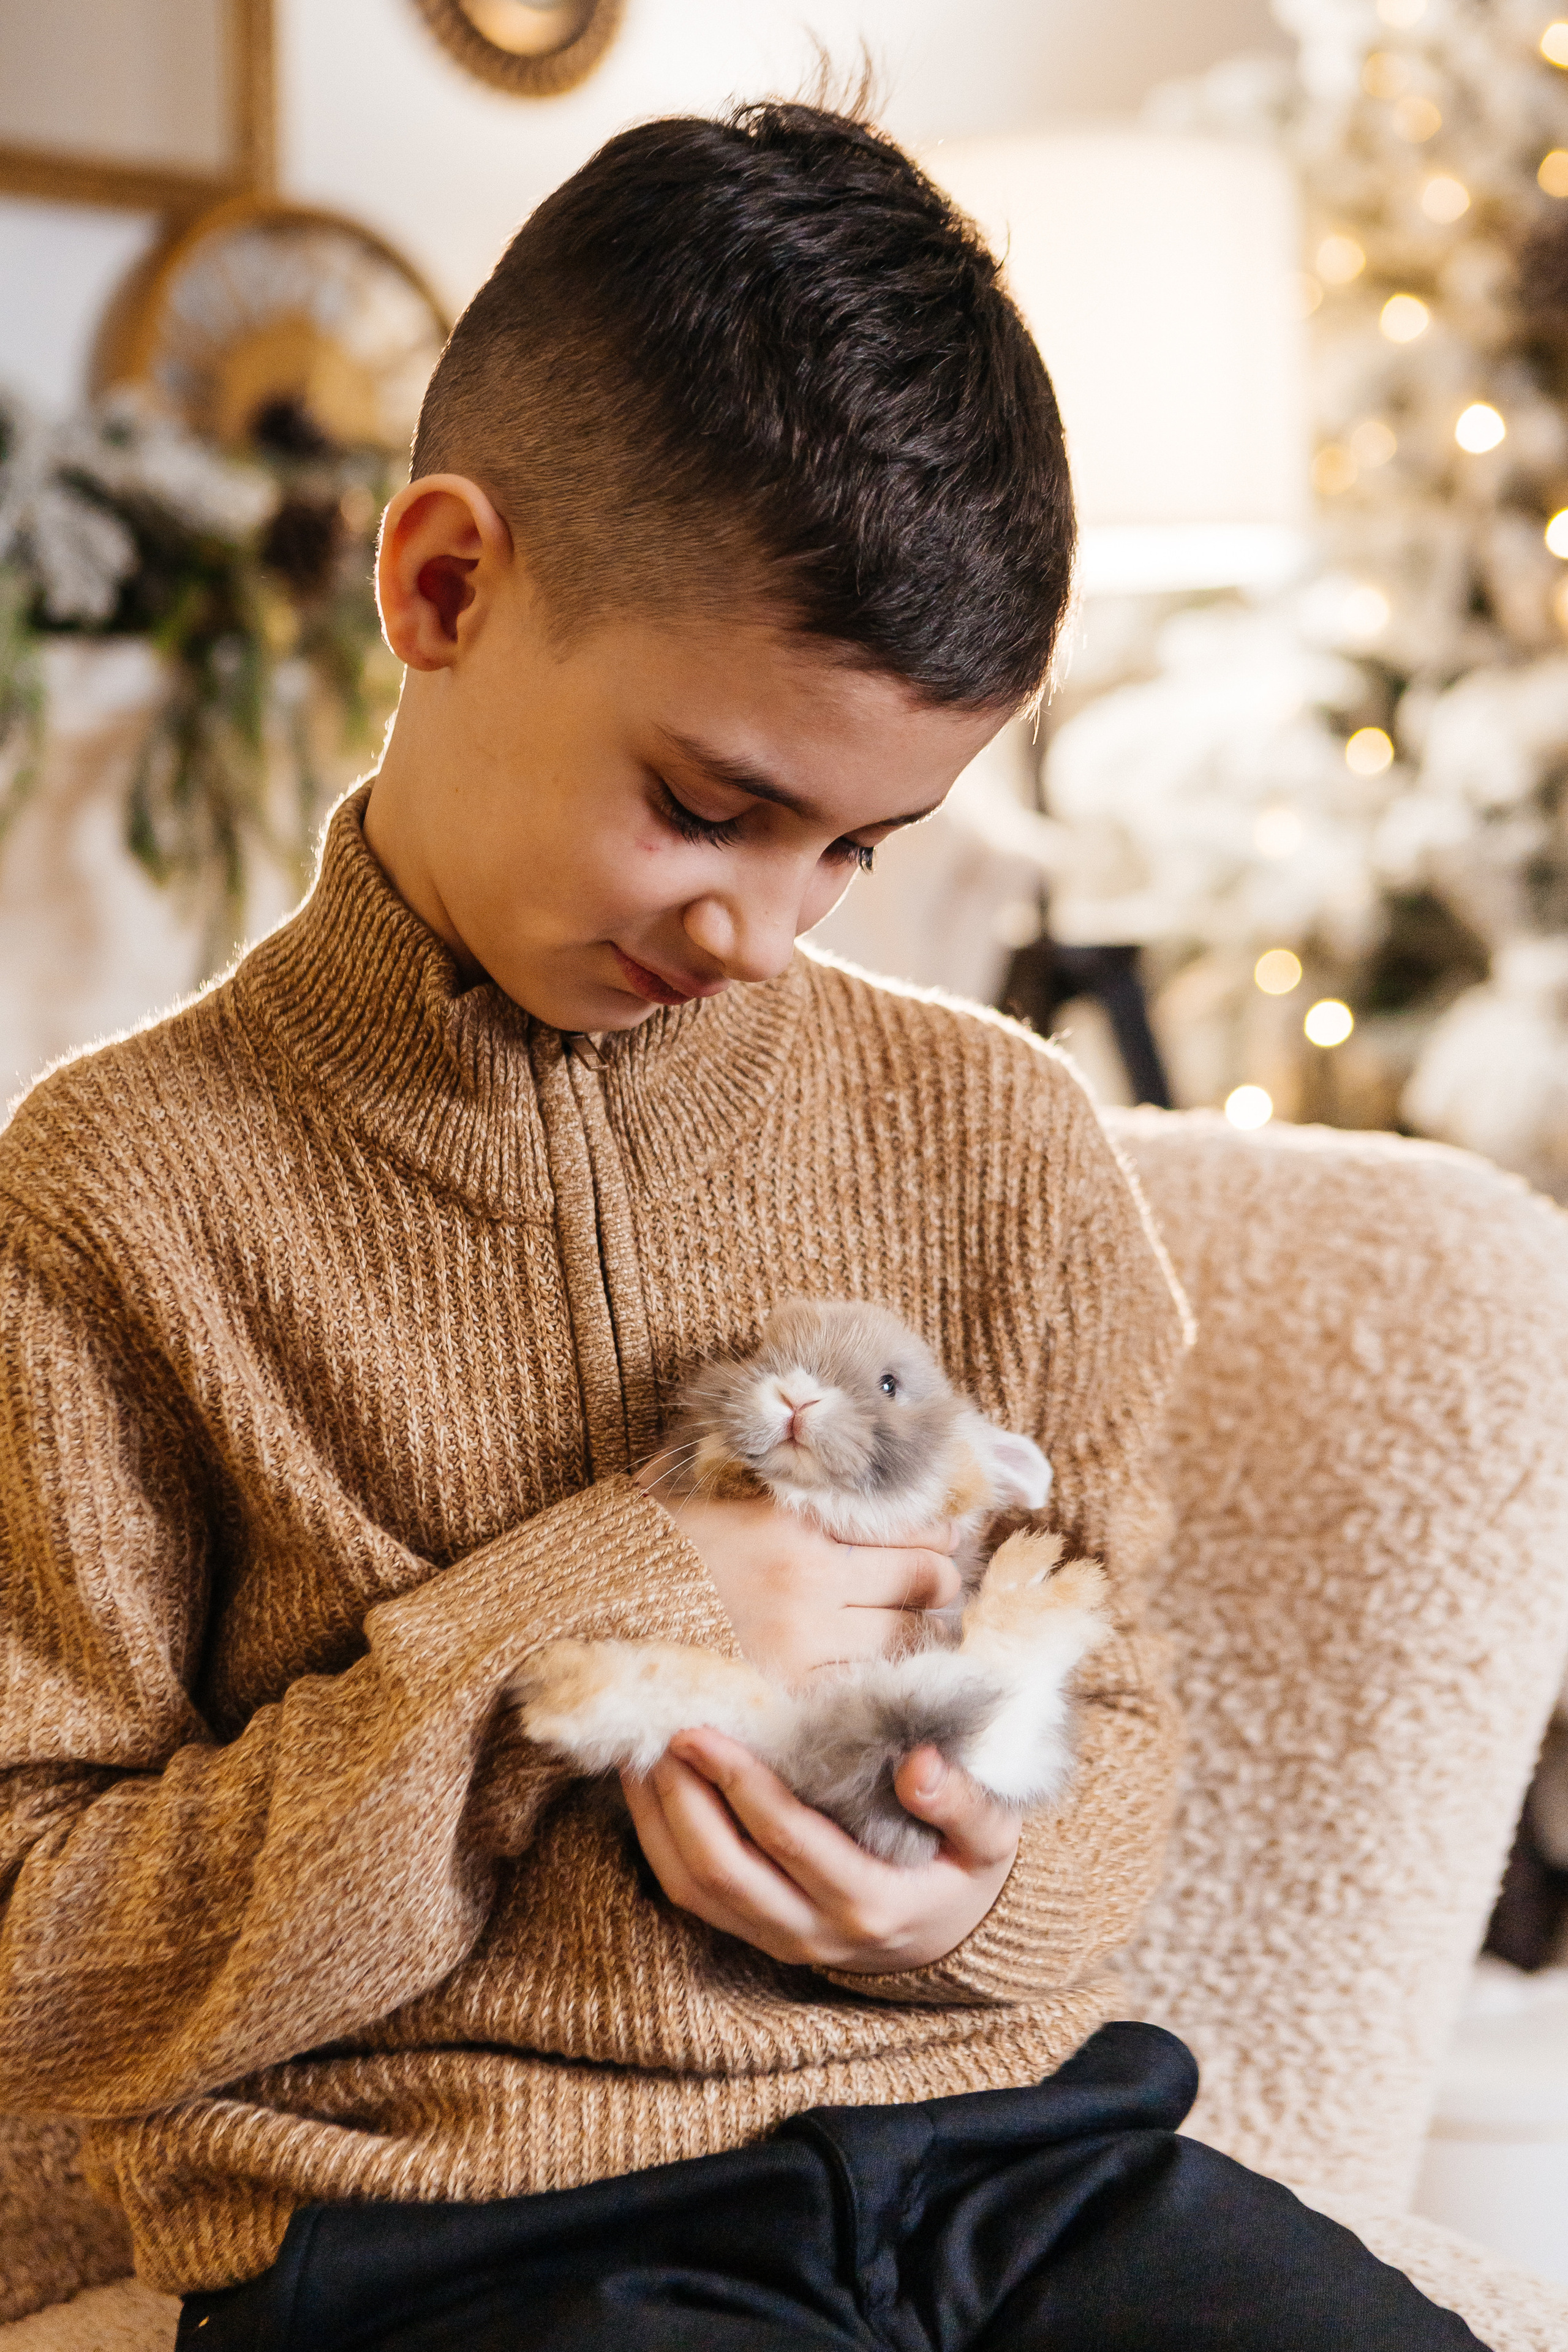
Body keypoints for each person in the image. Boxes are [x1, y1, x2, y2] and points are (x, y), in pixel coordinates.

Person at [0, 100, 1486, 2352]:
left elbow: (1131, 1689)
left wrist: (977, 1892)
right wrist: (595, 1608)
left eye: (858, 850)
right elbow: (39, 1967)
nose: (766, 930)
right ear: (443, 587)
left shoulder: (998, 1134)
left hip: (1020, 2159)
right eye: (711, 806)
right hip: (452, 2235)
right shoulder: (110, 1206)